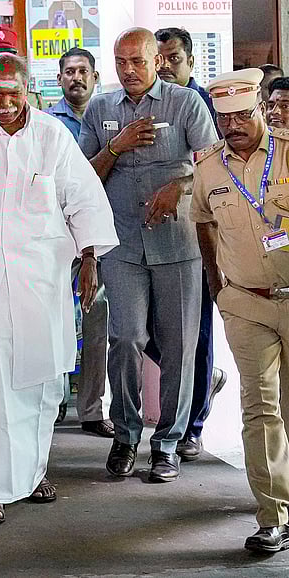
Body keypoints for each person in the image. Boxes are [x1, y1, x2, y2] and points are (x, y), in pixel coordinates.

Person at [0, 53, 118, 524]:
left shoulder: (52, 135)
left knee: (42, 385)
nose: (5, 104)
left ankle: (31, 475)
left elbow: (83, 197)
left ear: (29, 89)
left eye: (14, 94)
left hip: (42, 281)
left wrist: (91, 256)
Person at [79, 28, 218, 483]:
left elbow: (213, 167)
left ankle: (169, 443)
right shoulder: (101, 110)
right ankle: (125, 434)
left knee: (178, 344)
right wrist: (115, 148)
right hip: (121, 244)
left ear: (157, 61)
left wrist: (178, 186)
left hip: (178, 244)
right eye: (121, 63)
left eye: (138, 61)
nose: (129, 71)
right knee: (126, 339)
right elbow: (84, 179)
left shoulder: (185, 104)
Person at [191, 68, 289, 553]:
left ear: (261, 110)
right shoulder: (208, 166)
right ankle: (272, 516)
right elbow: (203, 222)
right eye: (223, 117)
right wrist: (215, 280)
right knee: (259, 408)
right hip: (246, 303)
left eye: (241, 115)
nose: (232, 125)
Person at [154, 26, 227, 461]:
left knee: (194, 335)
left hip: (197, 235)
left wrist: (180, 184)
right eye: (158, 59)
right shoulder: (144, 105)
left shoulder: (212, 106)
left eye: (173, 59)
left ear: (191, 61)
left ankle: (192, 426)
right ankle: (201, 381)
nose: (165, 66)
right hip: (145, 241)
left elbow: (218, 168)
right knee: (146, 333)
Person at [45, 47, 113, 438]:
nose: (76, 78)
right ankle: (53, 403)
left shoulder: (108, 117)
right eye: (69, 72)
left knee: (96, 317)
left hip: (95, 235)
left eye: (83, 71)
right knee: (55, 322)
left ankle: (90, 408)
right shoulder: (46, 122)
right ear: (59, 79)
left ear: (95, 75)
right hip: (55, 236)